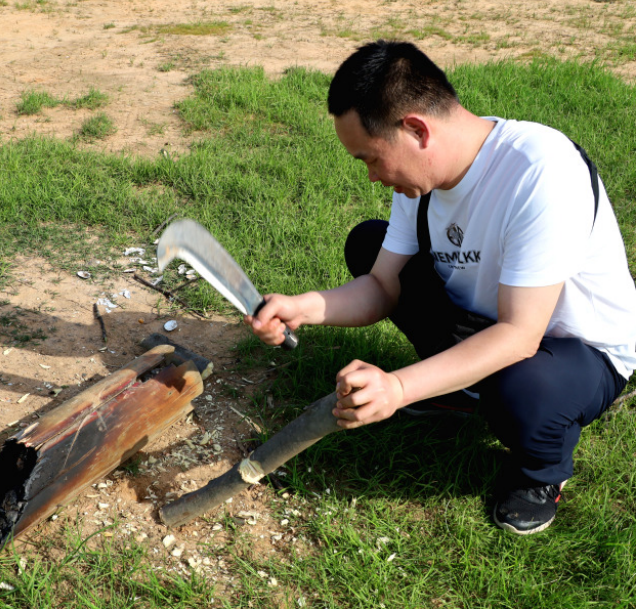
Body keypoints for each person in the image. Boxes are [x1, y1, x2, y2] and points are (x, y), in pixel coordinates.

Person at [244, 40, 636, 535]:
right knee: (370, 244)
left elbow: (520, 336)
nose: (371, 177)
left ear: (416, 130)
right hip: (489, 322)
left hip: (576, 351)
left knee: (522, 387)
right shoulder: (424, 178)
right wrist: (303, 308)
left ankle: (541, 473)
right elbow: (382, 286)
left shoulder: (540, 171)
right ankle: (463, 390)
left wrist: (399, 387)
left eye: (371, 159)